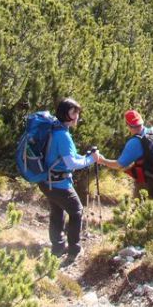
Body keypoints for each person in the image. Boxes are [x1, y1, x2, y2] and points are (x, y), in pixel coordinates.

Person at [40, 97, 97, 265]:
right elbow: (71, 163)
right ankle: (74, 250)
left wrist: (86, 157)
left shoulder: (55, 130)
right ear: (66, 114)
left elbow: (68, 157)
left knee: (57, 212)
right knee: (76, 211)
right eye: (74, 112)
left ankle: (57, 248)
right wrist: (91, 160)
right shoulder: (63, 135)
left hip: (47, 181)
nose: (77, 116)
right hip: (59, 184)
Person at [97, 109, 153, 199]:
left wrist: (102, 160)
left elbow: (119, 165)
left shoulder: (134, 142)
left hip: (146, 180)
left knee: (141, 207)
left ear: (128, 125)